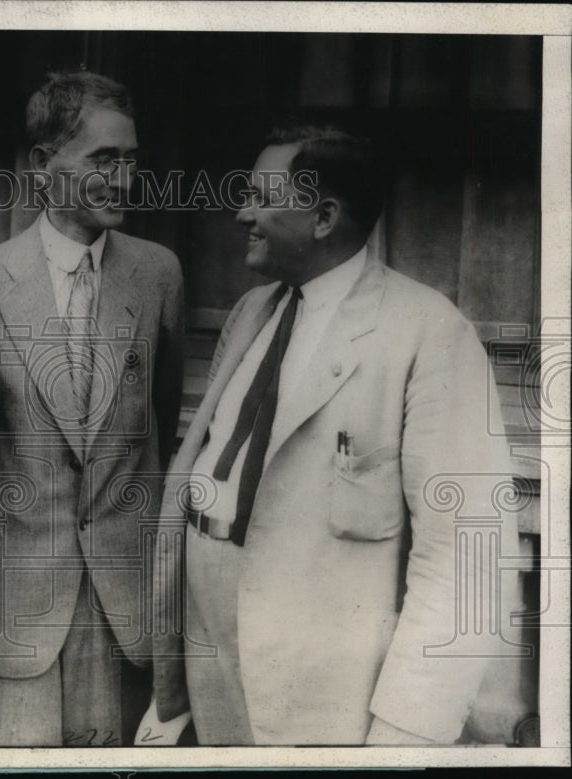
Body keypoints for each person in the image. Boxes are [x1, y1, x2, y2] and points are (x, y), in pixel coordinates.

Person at [148, 122, 518, 745]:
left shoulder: (426, 331)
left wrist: (407, 730)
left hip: (325, 692)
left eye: (263, 197)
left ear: (323, 217)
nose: (242, 213)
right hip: (211, 664)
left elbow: (467, 553)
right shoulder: (250, 313)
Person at [0, 70, 184, 746]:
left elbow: (157, 427)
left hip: (122, 612)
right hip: (8, 617)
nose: (125, 177)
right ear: (44, 165)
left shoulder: (158, 275)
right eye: (105, 159)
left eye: (132, 159)